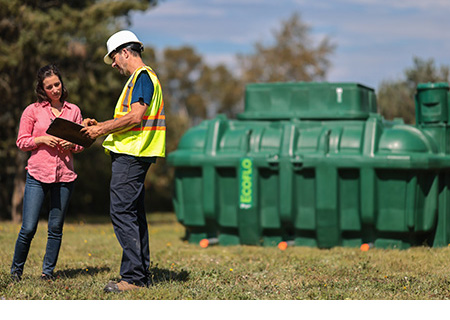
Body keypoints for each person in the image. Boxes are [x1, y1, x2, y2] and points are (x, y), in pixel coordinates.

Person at [81, 30, 165, 293]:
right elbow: (129, 118)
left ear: (125, 52)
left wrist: (100, 130)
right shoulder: (142, 80)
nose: (114, 64)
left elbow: (135, 117)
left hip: (132, 154)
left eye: (114, 58)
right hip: (135, 153)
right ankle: (141, 275)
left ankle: (134, 279)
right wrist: (102, 124)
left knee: (121, 213)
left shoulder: (141, 78)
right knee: (134, 215)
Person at [11, 64, 84, 281]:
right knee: (28, 228)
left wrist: (72, 144)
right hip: (37, 175)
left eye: (57, 84)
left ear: (62, 83)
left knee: (55, 228)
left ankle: (47, 273)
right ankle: (16, 272)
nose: (55, 89)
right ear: (42, 89)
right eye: (49, 86)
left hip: (64, 177)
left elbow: (81, 143)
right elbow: (22, 142)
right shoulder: (32, 111)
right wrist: (41, 139)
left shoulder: (74, 111)